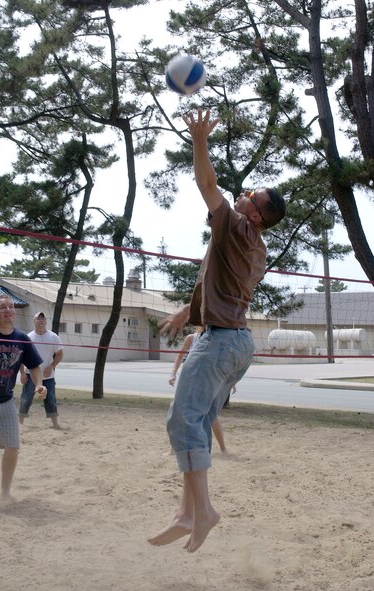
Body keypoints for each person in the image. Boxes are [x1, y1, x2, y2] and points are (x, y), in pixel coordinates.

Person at [148, 108, 285, 553]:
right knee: (198, 424)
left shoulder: (238, 227)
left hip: (220, 341)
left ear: (257, 215)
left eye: (250, 194)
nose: (243, 194)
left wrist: (199, 139)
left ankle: (202, 511)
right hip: (235, 344)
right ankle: (185, 512)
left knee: (181, 421)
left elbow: (207, 185)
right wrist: (184, 313)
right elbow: (214, 280)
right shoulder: (254, 247)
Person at [0, 296, 47, 503]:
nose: (8, 310)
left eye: (11, 307)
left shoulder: (22, 338)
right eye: (2, 307)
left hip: (5, 402)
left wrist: (39, 384)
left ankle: (4, 492)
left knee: (12, 447)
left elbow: (34, 367)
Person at [169, 327, 228, 454]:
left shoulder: (216, 338)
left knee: (210, 414)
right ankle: (173, 449)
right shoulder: (192, 338)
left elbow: (223, 361)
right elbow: (179, 356)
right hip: (190, 377)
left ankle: (223, 448)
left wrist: (228, 381)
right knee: (178, 411)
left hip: (207, 379)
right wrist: (173, 374)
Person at [19, 312, 63, 429]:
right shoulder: (28, 337)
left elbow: (59, 354)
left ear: (46, 321)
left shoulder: (53, 336)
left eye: (43, 318)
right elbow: (21, 357)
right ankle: (20, 423)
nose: (41, 320)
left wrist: (52, 366)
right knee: (26, 399)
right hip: (30, 375)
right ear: (34, 321)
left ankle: (55, 424)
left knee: (51, 400)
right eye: (38, 318)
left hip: (48, 376)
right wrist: (22, 372)